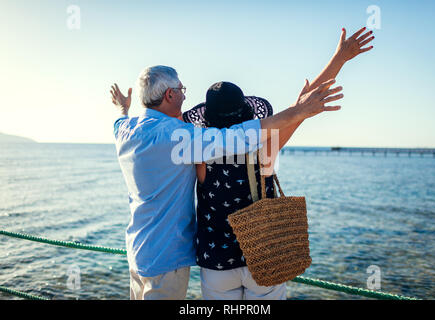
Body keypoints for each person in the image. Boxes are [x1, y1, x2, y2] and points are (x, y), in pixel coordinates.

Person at [110, 25, 371, 299]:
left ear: (207, 118)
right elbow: (301, 109)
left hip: (216, 262)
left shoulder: (195, 150)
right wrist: (339, 59)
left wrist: (124, 109)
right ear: (248, 114)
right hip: (262, 257)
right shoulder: (265, 146)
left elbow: (146, 120)